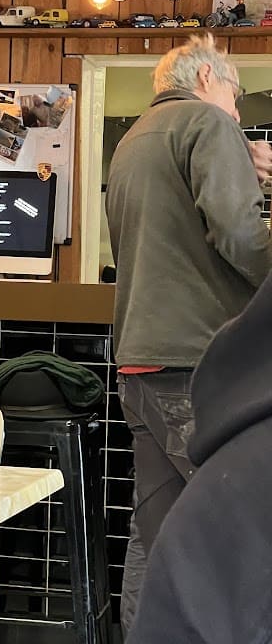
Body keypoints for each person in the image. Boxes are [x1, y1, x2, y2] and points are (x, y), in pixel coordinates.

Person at [105, 32, 272, 636]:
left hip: (139, 363)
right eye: (237, 95)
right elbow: (243, 239)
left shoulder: (133, 140)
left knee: (157, 535)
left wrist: (244, 170)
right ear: (206, 79)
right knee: (238, 528)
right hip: (196, 363)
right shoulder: (207, 122)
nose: (239, 113)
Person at [127, 267, 272, 643]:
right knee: (214, 548)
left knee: (156, 537)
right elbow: (238, 236)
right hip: (189, 349)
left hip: (136, 353)